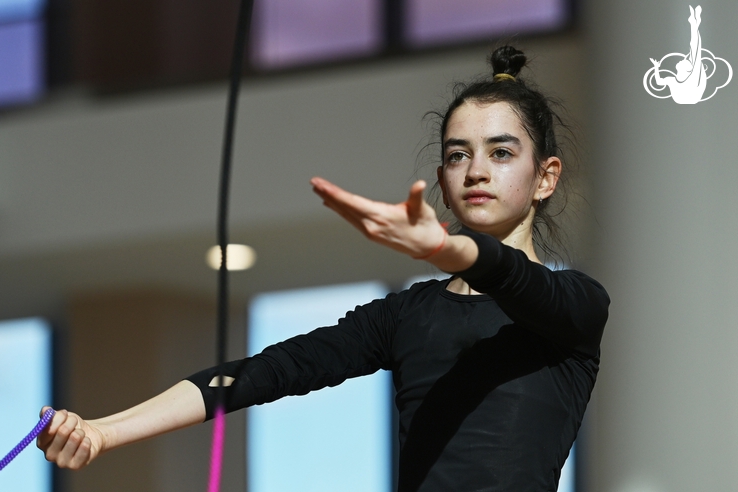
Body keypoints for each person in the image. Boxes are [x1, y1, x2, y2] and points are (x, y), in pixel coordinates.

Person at [37, 45, 609, 491]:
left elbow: (513, 279)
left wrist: (443, 249)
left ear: (546, 177)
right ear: (441, 181)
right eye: (458, 155)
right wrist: (102, 431)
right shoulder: (404, 317)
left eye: (502, 152)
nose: (476, 170)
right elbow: (260, 375)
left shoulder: (575, 306)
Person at [650, 5, 706, 104]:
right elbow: (659, 82)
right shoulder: (673, 80)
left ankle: (694, 24)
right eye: (686, 61)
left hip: (690, 96)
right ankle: (694, 24)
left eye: (685, 61)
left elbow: (695, 49)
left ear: (687, 69)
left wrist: (656, 68)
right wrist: (656, 67)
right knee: (695, 51)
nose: (682, 59)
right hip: (688, 97)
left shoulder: (690, 78)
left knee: (695, 51)